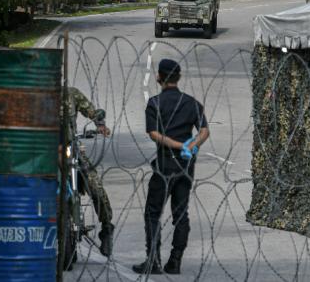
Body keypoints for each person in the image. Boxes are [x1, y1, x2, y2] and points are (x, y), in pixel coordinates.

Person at [133, 59, 210, 275]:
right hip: (186, 165)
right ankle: (175, 261)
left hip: (165, 163)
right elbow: (204, 131)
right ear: (178, 77)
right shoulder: (191, 102)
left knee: (153, 213)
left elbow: (154, 134)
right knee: (180, 213)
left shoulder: (155, 103)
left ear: (159, 77)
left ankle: (153, 260)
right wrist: (191, 145)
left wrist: (177, 145)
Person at [64, 86, 115, 257]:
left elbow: (91, 111)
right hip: (45, 153)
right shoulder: (38, 96)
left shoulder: (70, 94)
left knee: (95, 186)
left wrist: (100, 124)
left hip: (70, 149)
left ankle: (107, 228)